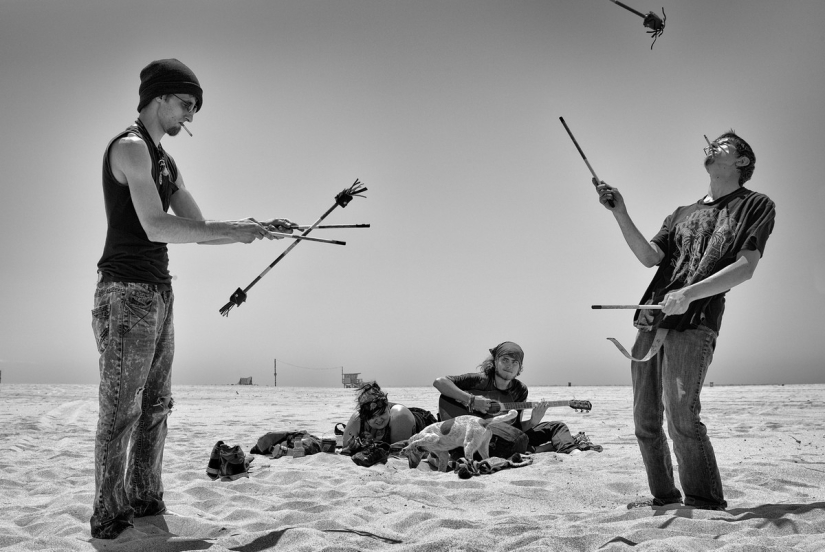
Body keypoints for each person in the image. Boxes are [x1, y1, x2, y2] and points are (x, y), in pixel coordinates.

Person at [91, 58, 295, 539]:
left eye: (194, 108)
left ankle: (144, 500)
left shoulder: (167, 160)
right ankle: (108, 515)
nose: (189, 116)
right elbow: (155, 225)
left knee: (157, 404)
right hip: (124, 293)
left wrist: (255, 228)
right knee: (122, 408)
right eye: (185, 105)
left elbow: (199, 230)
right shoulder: (130, 148)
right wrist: (233, 228)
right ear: (158, 98)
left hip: (159, 291)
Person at [593, 130, 776, 510]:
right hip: (651, 319)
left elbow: (745, 268)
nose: (713, 146)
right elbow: (648, 257)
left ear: (742, 162)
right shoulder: (680, 213)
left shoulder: (755, 205)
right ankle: (663, 497)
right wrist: (620, 212)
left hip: (696, 319)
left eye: (725, 145)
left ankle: (704, 502)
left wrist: (688, 294)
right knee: (645, 420)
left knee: (682, 417)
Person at [433, 341, 599, 457]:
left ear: (520, 368)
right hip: (469, 431)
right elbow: (440, 382)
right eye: (504, 360)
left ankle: (571, 450)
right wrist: (472, 400)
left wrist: (533, 421)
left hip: (503, 434)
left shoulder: (520, 390)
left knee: (556, 426)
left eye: (515, 362)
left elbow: (518, 427)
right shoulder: (480, 381)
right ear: (495, 361)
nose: (509, 365)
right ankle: (539, 449)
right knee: (514, 439)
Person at [342, 382, 437, 449]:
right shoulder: (358, 419)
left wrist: (372, 443)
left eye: (381, 413)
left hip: (421, 420)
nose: (379, 420)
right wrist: (354, 446)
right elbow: (346, 447)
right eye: (372, 417)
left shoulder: (400, 416)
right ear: (365, 418)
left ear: (388, 407)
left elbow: (399, 451)